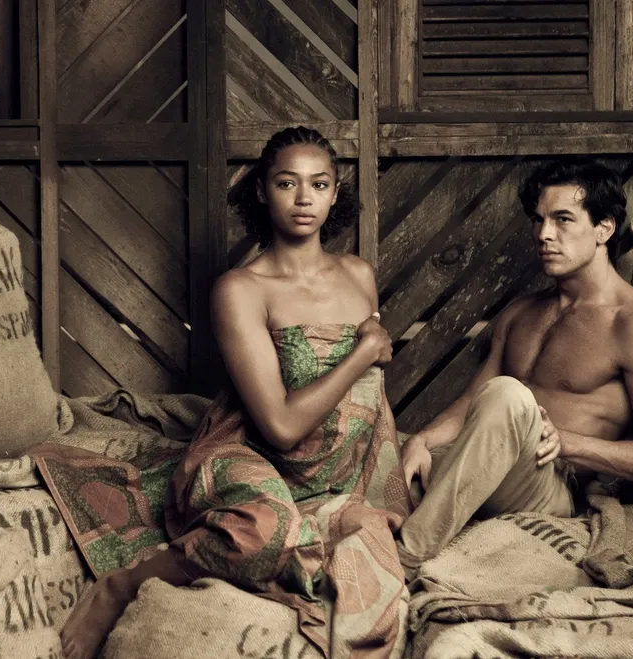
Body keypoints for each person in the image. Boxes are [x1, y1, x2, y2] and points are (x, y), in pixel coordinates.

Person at [56, 126, 409, 659]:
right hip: (252, 452)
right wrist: (364, 351)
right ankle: (124, 584)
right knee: (261, 534)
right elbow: (281, 428)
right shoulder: (241, 289)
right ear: (263, 190)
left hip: (335, 470)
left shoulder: (359, 274)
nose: (304, 197)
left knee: (375, 556)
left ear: (336, 193)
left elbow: (370, 397)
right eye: (288, 183)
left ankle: (295, 545)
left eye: (319, 184)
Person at [395, 158, 633, 574]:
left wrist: (570, 443)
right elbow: (470, 404)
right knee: (379, 439)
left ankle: (405, 556)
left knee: (507, 394)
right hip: (488, 462)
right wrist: (422, 441)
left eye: (563, 219)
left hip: (551, 485)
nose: (544, 234)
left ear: (604, 229)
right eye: (538, 220)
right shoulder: (521, 314)